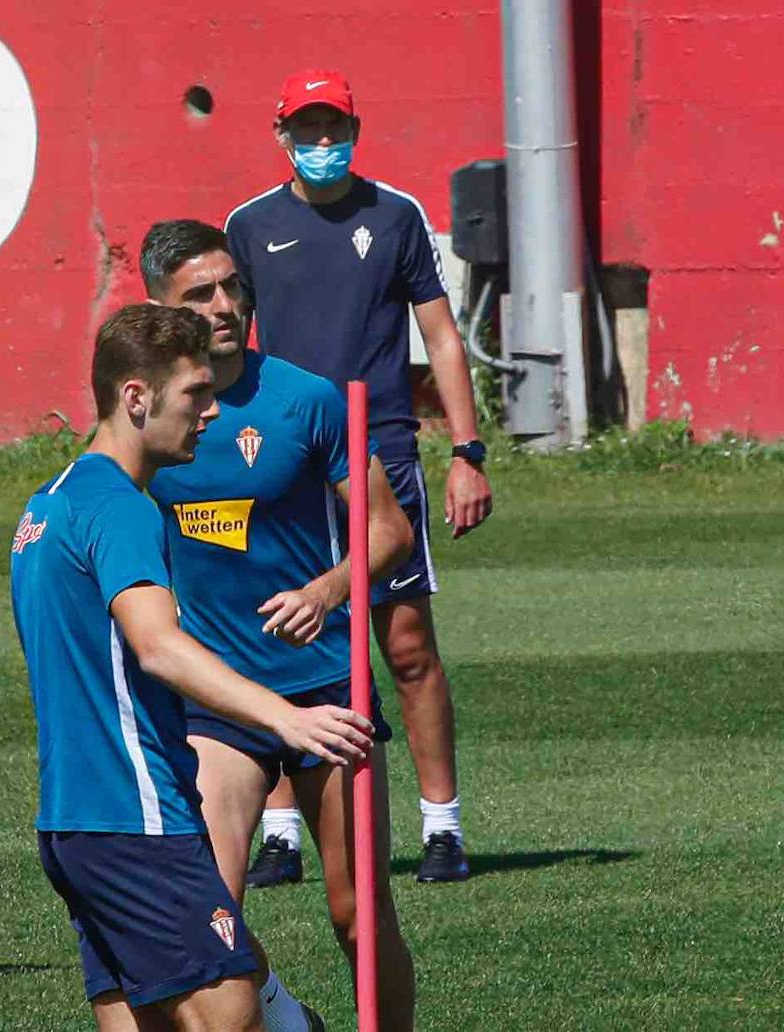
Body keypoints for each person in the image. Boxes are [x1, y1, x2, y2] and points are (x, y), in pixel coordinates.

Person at [10, 303, 375, 1032]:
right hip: (136, 814)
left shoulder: (47, 507)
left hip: (73, 821)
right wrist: (287, 717)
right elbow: (157, 645)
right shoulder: (122, 510)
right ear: (136, 398)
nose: (210, 413)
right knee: (228, 1012)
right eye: (194, 395)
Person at [141, 220, 417, 1030]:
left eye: (232, 287)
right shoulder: (150, 417)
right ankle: (282, 1014)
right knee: (210, 919)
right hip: (220, 703)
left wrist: (330, 589)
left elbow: (390, 530)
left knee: (357, 914)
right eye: (200, 294)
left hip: (327, 691)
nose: (224, 306)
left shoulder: (308, 398)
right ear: (159, 306)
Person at [225, 70, 494, 883]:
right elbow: (225, 336)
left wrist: (468, 452)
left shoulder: (398, 215)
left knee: (406, 645)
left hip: (381, 451)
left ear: (355, 127)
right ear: (281, 137)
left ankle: (441, 825)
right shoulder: (249, 225)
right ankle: (280, 830)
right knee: (277, 634)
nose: (320, 144)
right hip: (280, 459)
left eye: (332, 127)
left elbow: (442, 339)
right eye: (304, 131)